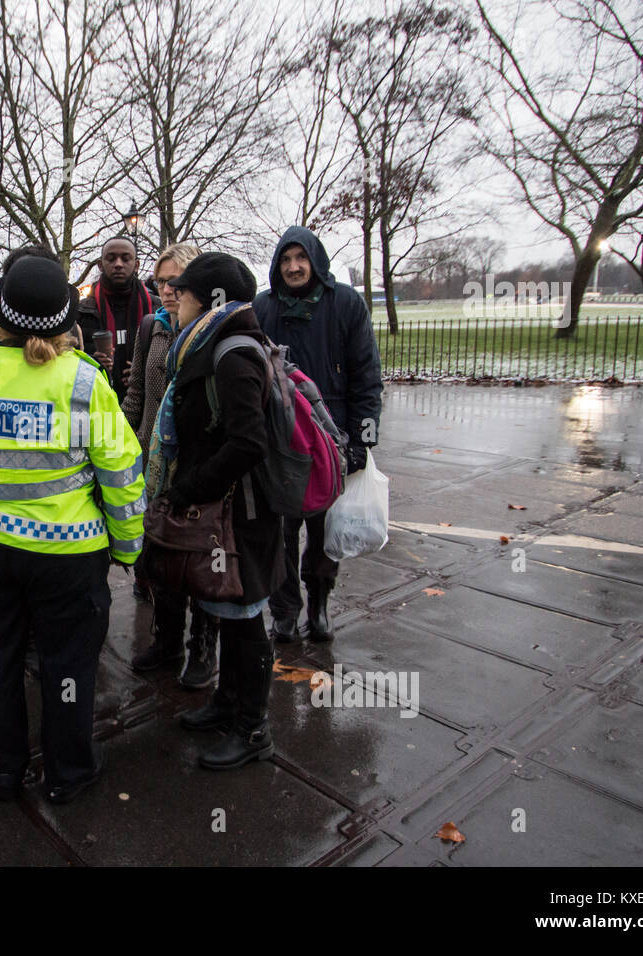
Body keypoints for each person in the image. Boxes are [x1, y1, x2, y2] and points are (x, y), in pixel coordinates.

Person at [0, 254, 145, 804]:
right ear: (66, 320)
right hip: (68, 557)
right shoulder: (85, 383)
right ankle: (68, 773)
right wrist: (128, 547)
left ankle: (5, 775)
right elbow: (121, 473)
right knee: (68, 666)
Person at [147, 252, 286, 770]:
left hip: (242, 515)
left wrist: (188, 490)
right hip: (232, 510)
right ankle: (228, 704)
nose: (173, 299)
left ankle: (254, 730)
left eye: (181, 292)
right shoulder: (211, 343)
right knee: (230, 614)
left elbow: (248, 443)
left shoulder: (231, 352)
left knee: (246, 619)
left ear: (209, 301)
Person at [251, 226, 382, 644]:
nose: (293, 267)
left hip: (332, 437)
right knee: (281, 533)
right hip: (280, 440)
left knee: (324, 530)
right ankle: (285, 611)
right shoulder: (262, 307)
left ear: (315, 260)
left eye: (300, 258)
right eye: (286, 259)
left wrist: (363, 440)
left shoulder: (345, 303)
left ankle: (320, 603)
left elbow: (367, 376)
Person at [120, 242, 217, 687]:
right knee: (160, 558)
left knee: (199, 559)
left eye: (176, 280)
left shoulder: (214, 330)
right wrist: (121, 443)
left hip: (197, 464)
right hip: (151, 461)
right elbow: (137, 393)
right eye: (160, 281)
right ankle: (166, 641)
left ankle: (202, 648)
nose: (167, 290)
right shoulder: (149, 328)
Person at [75, 236, 155, 400]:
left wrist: (143, 373)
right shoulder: (81, 311)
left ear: (137, 265)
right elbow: (70, 360)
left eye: (125, 259)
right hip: (98, 399)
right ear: (100, 265)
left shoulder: (158, 309)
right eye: (111, 259)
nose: (118, 264)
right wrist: (93, 363)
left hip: (143, 405)